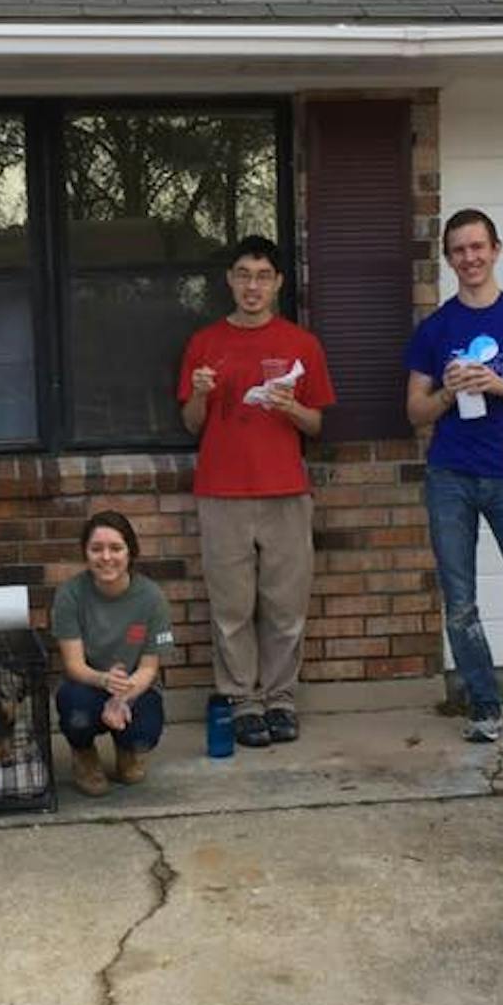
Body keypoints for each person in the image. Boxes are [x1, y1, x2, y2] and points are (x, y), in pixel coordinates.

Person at [177, 235, 335, 750]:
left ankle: (281, 699)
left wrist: (289, 406)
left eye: (263, 276)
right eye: (244, 274)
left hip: (286, 489)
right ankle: (242, 701)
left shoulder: (301, 344)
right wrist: (200, 393)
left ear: (278, 283)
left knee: (286, 606)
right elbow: (191, 424)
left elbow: (316, 425)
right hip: (221, 492)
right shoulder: (204, 342)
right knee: (232, 608)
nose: (252, 285)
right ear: (230, 279)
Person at [405, 209, 503, 744]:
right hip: (450, 476)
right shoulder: (436, 329)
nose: (469, 258)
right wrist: (449, 392)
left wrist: (500, 387)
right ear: (448, 259)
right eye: (459, 250)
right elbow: (416, 412)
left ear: (496, 249)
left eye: (477, 247)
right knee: (461, 599)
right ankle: (485, 707)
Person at [50, 511, 176, 797]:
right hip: (89, 683)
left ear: (130, 552)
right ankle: (84, 755)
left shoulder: (152, 598)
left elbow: (148, 668)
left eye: (115, 548)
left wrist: (123, 696)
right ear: (86, 553)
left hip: (135, 686)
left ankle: (127, 750)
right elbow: (73, 665)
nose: (106, 557)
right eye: (97, 549)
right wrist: (105, 681)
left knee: (144, 733)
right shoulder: (70, 595)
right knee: (75, 709)